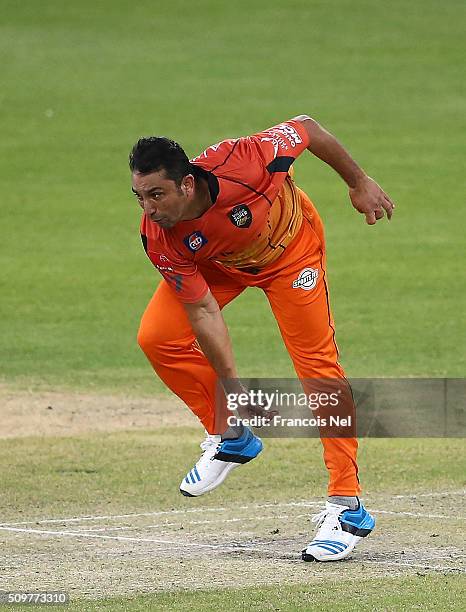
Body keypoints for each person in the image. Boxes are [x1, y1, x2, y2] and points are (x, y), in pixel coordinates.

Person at [130, 115, 395, 562]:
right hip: (220, 265)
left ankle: (348, 508)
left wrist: (358, 181)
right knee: (157, 338)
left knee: (318, 368)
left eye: (157, 195)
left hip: (291, 255)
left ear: (188, 184)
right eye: (139, 197)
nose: (149, 209)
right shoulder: (160, 236)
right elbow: (202, 310)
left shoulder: (245, 162)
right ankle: (231, 433)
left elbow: (309, 129)